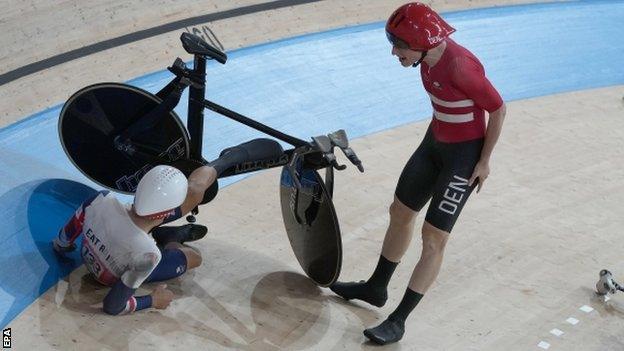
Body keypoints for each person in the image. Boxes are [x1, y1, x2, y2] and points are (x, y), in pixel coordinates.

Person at [330, 2, 507, 345]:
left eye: (398, 46)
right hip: (434, 144)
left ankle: (398, 320)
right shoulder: (425, 58)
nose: (394, 52)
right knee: (400, 212)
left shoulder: (460, 67)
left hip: (463, 158)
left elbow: (498, 110)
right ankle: (376, 287)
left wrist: (483, 162)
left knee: (433, 237)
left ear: (421, 42)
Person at [53, 138, 284, 315]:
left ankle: (225, 160)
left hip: (125, 235)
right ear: (168, 215)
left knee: (192, 192)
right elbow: (113, 306)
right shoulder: (148, 255)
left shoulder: (100, 199)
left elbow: (62, 241)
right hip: (129, 259)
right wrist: (152, 301)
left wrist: (65, 247)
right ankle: (170, 237)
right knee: (194, 258)